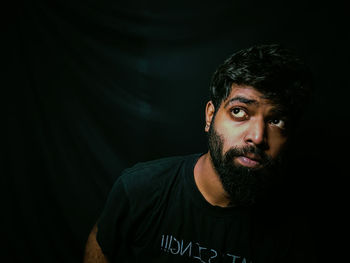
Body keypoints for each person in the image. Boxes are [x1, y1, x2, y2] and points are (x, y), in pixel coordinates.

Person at [83, 44, 315, 263]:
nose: (257, 136)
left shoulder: (298, 231)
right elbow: (103, 239)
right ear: (210, 116)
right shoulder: (140, 189)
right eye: (239, 112)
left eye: (275, 120)